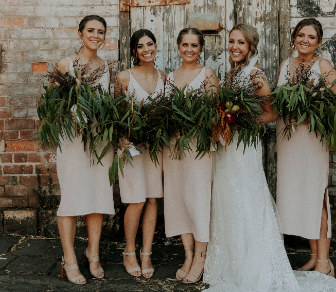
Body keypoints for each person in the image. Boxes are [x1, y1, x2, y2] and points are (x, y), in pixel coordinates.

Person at [204, 23, 336, 292]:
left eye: (241, 42)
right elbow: (281, 108)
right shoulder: (255, 70)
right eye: (232, 41)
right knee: (242, 201)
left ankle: (321, 260)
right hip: (280, 140)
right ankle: (299, 257)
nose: (235, 47)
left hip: (306, 138)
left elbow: (273, 112)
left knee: (309, 195)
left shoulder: (258, 74)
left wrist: (242, 121)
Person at [276, 18, 336, 275]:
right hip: (288, 141)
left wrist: (307, 115)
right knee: (299, 197)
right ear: (294, 37)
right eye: (301, 35)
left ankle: (324, 262)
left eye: (311, 37)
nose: (305, 40)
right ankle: (313, 256)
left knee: (316, 197)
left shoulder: (323, 65)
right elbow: (277, 101)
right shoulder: (285, 65)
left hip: (312, 140)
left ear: (319, 42)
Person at [55, 15, 114, 285]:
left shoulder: (105, 67)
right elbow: (52, 106)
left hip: (99, 141)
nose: (96, 35)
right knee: (70, 198)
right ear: (80, 33)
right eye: (91, 30)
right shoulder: (65, 64)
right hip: (72, 141)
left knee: (97, 196)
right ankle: (69, 260)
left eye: (100, 32)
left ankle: (93, 252)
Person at [163, 28, 219, 284]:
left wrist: (195, 125)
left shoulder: (207, 74)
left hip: (198, 147)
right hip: (174, 147)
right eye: (184, 44)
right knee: (177, 198)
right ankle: (187, 254)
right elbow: (164, 111)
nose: (189, 49)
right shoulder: (170, 78)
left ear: (201, 48)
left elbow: (215, 114)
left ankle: (201, 256)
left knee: (197, 199)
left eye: (194, 45)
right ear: (178, 47)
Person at [114, 29, 166, 278]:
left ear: (156, 46)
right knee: (136, 199)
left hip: (155, 148)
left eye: (150, 44)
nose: (147, 49)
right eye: (141, 46)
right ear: (134, 51)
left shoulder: (164, 77)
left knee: (153, 198)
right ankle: (129, 251)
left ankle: (147, 253)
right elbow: (113, 114)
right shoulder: (124, 77)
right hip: (131, 147)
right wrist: (123, 139)